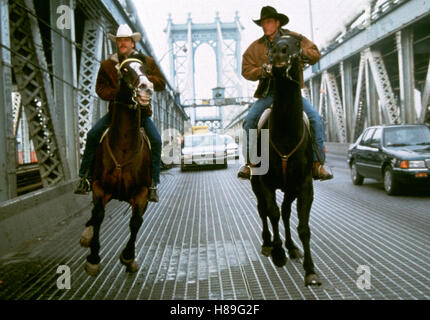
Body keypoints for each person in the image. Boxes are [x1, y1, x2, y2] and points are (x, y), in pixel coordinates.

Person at [238, 6, 333, 181]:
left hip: (291, 92)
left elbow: (315, 54)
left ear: (277, 22)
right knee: (249, 121)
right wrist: (263, 70)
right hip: (269, 92)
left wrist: (300, 51)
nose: (265, 26)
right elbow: (245, 70)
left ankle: (317, 164)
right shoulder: (256, 47)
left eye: (268, 22)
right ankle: (250, 164)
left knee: (315, 119)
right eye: (263, 23)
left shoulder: (295, 38)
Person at [74, 24, 166, 202]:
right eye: (119, 40)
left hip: (140, 113)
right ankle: (84, 177)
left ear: (133, 43)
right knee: (93, 135)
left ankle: (153, 183)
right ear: (116, 43)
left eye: (126, 40)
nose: (123, 43)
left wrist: (145, 80)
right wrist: (117, 93)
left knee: (156, 140)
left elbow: (160, 82)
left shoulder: (146, 62)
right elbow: (100, 89)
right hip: (117, 113)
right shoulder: (108, 65)